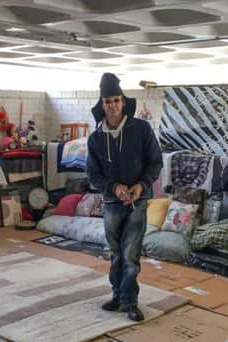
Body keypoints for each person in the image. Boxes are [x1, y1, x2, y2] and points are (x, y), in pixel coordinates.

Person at [86, 72, 163, 321]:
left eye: (116, 100)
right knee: (116, 254)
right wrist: (114, 187)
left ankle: (131, 302)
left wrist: (140, 185)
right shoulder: (96, 138)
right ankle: (117, 295)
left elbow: (156, 162)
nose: (112, 105)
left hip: (137, 201)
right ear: (102, 104)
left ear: (123, 101)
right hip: (111, 203)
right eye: (107, 101)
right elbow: (93, 174)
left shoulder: (141, 129)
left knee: (131, 255)